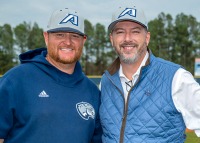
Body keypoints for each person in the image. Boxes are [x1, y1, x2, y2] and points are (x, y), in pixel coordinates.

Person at [99, 5, 200, 143]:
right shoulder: (105, 82)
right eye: (120, 32)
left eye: (135, 32)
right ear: (112, 39)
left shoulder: (176, 78)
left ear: (147, 37)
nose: (127, 38)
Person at [0, 8, 102, 143]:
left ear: (83, 40)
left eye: (75, 36)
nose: (68, 42)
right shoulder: (15, 80)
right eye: (60, 35)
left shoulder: (92, 92)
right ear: (46, 37)